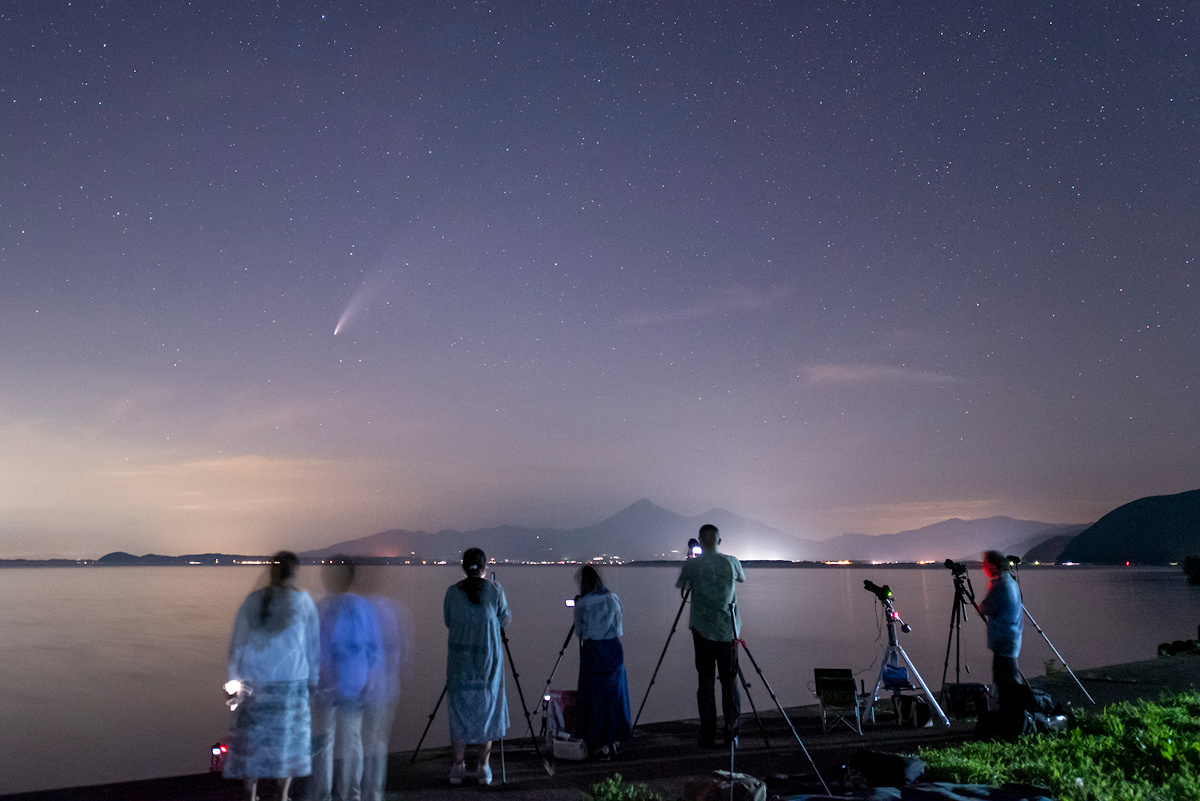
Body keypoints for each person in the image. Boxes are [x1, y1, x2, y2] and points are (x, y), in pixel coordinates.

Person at [225, 551, 320, 801]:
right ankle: (283, 795)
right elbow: (313, 646)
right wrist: (313, 679)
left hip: (255, 683)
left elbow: (237, 644)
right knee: (288, 744)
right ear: (294, 572)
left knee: (252, 745)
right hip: (291, 685)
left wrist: (233, 680)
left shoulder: (253, 600)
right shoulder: (303, 602)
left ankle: (252, 795)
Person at [310, 557, 381, 801]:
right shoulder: (363, 607)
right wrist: (370, 681)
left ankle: (324, 795)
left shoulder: (321, 608)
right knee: (352, 740)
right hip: (355, 682)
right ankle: (352, 794)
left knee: (324, 742)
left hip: (326, 684)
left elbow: (314, 648)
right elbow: (373, 648)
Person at [444, 547, 510, 786]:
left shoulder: (452, 593)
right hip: (487, 664)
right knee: (487, 710)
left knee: (458, 712)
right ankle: (484, 767)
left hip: (459, 664)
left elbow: (448, 621)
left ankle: (457, 766)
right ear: (485, 568)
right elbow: (504, 619)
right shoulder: (495, 590)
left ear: (463, 567)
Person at [675, 524, 745, 748]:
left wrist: (690, 561)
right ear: (719, 540)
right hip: (729, 631)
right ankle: (732, 732)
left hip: (702, 632)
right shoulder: (731, 561)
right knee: (730, 683)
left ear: (699, 541)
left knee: (705, 683)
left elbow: (682, 585)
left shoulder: (693, 565)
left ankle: (707, 735)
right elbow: (741, 579)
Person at [359, 567, 413, 801]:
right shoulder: (395, 609)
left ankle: (359, 789)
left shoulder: (358, 610)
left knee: (360, 742)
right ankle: (375, 791)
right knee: (379, 742)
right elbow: (404, 649)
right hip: (387, 688)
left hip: (361, 688)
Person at [572, 564, 632, 758]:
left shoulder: (582, 604)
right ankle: (614, 737)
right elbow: (619, 629)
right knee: (614, 695)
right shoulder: (613, 599)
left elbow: (580, 632)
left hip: (593, 651)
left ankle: (595, 739)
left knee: (594, 698)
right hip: (613, 649)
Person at [978, 550, 1025, 710]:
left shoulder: (1001, 585)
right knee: (1008, 678)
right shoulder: (1010, 582)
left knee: (1007, 681)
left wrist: (989, 591)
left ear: (992, 566)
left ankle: (1015, 713)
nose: (983, 568)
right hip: (1010, 638)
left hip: (1004, 640)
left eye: (985, 565)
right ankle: (1013, 711)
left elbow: (984, 608)